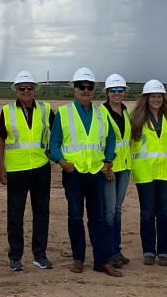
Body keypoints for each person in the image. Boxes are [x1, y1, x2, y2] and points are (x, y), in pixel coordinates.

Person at [49, 68, 120, 277]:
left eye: (90, 87)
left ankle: (101, 261)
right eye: (82, 86)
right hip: (74, 174)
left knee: (97, 218)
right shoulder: (64, 112)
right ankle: (78, 258)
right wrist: (63, 162)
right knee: (75, 216)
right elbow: (54, 143)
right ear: (75, 89)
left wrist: (108, 161)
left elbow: (111, 139)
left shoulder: (101, 113)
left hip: (96, 173)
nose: (86, 90)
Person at [0, 70, 54, 272]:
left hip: (40, 168)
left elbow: (56, 136)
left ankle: (40, 255)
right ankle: (15, 257)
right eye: (22, 89)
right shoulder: (7, 110)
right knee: (15, 215)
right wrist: (1, 167)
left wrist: (54, 156)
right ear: (16, 91)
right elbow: (1, 139)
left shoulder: (46, 109)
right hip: (16, 169)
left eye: (30, 88)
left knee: (41, 213)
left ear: (35, 90)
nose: (26, 91)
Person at [129, 79, 167, 265]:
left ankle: (164, 251)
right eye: (153, 96)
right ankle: (149, 251)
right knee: (147, 212)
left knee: (164, 212)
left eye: (159, 96)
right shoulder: (136, 118)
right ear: (146, 98)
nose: (156, 99)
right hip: (145, 172)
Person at [101, 73, 132, 268]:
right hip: (110, 168)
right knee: (109, 211)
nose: (117, 93)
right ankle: (108, 252)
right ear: (107, 93)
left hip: (125, 167)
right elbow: (101, 140)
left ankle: (116, 249)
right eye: (113, 90)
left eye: (120, 90)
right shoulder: (101, 113)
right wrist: (106, 164)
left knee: (118, 210)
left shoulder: (126, 111)